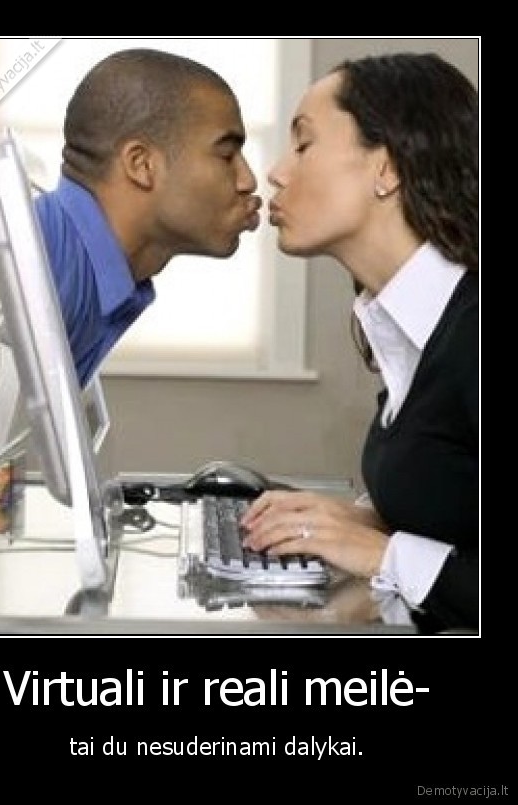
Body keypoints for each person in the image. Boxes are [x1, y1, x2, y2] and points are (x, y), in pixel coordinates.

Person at [241, 52, 478, 634]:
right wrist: (358, 521)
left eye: (304, 144)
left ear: (386, 169)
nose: (276, 172)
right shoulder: (410, 329)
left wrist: (383, 554)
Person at [35, 48, 262, 388]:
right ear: (141, 165)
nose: (248, 181)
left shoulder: (91, 271)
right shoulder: (46, 264)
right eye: (227, 155)